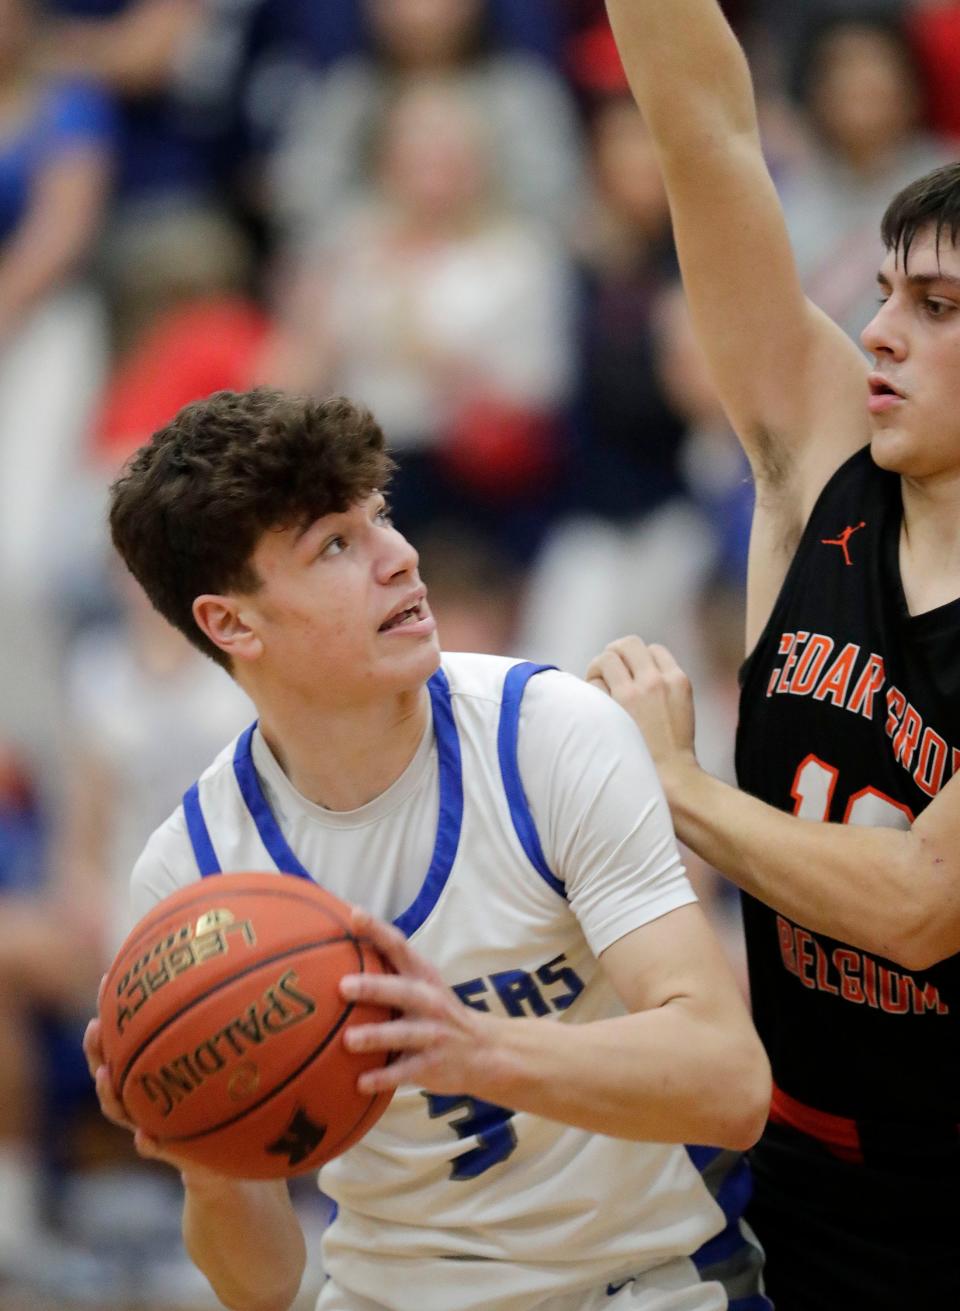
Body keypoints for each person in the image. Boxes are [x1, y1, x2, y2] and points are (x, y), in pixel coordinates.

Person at [83, 388, 771, 1311]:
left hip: (646, 1282)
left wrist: (473, 1049)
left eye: (381, 517)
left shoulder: (545, 732)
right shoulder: (194, 874)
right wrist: (203, 1160)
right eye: (335, 544)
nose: (400, 557)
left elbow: (730, 1080)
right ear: (232, 623)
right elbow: (266, 1285)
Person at [586, 2, 960, 1307]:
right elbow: (706, 136)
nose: (882, 334)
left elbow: (920, 903)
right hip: (797, 1163)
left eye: (936, 305)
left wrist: (674, 781)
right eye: (883, 298)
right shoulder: (823, 457)